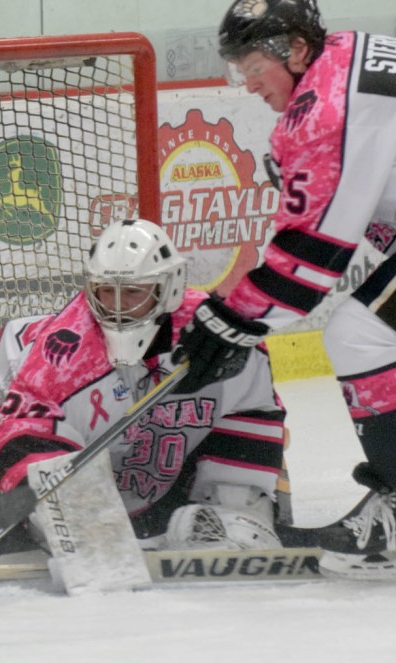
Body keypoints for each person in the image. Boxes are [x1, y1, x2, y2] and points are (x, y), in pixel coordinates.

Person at [170, 0, 396, 563]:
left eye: (251, 68)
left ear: (295, 50)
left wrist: (233, 321)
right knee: (371, 321)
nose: (246, 85)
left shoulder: (325, 111)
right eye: (237, 71)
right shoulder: (347, 54)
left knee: (356, 335)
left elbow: (313, 258)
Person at [0, 218, 290, 551]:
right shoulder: (64, 352)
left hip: (139, 454)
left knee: (230, 501)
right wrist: (69, 517)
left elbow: (253, 410)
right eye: (107, 292)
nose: (118, 308)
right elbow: (27, 431)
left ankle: (234, 512)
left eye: (133, 292)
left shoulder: (212, 335)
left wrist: (242, 499)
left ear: (168, 290)